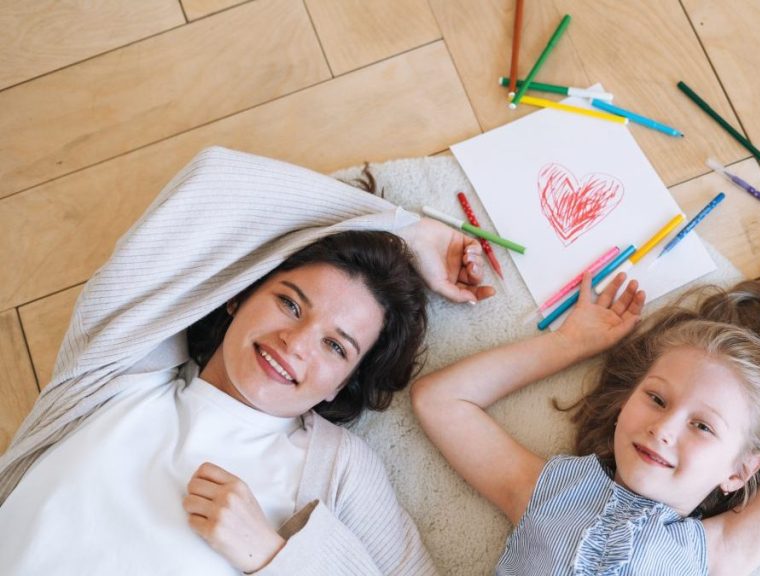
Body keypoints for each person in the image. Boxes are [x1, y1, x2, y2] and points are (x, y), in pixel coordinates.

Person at [0, 147, 493, 575]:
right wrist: (407, 231)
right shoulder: (121, 366)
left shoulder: (336, 469)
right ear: (239, 294)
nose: (296, 342)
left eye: (335, 346)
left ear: (341, 384)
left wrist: (273, 557)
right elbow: (214, 181)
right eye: (291, 304)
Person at [411, 225, 760, 575]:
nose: (663, 429)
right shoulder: (548, 493)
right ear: (626, 400)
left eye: (702, 426)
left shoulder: (718, 554)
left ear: (738, 471)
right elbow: (440, 399)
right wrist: (568, 345)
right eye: (657, 399)